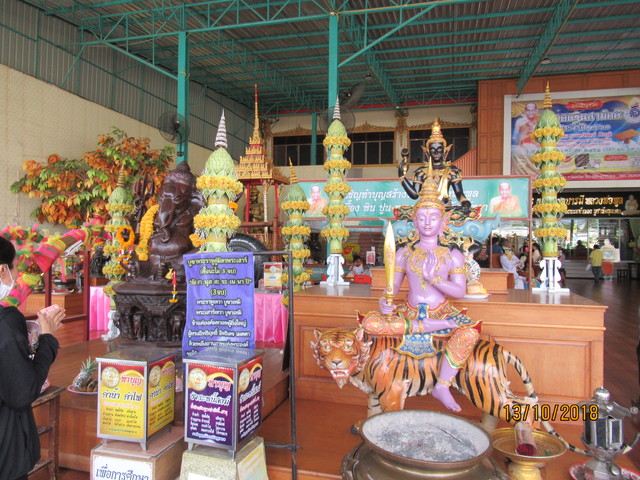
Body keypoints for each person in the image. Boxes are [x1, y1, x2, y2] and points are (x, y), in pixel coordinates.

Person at [376, 166, 479, 412]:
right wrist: (384, 301)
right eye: (422, 218)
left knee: (469, 333)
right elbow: (392, 287)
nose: (427, 223)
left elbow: (460, 292)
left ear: (443, 221)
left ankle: (442, 385)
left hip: (441, 311)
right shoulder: (404, 253)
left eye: (433, 217)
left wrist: (434, 279)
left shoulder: (453, 255)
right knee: (370, 324)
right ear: (414, 221)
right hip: (410, 311)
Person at [0, 237, 65, 480]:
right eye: (16, 267)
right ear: (2, 270)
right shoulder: (6, 321)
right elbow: (22, 393)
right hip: (6, 452)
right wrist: (47, 338)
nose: (16, 276)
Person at [397, 118, 471, 214]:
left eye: (439, 149)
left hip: (444, 209)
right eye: (433, 149)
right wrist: (402, 177)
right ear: (428, 151)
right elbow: (415, 195)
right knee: (405, 213)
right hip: (425, 210)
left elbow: (459, 193)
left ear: (444, 151)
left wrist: (465, 203)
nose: (436, 152)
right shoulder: (421, 172)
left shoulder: (451, 171)